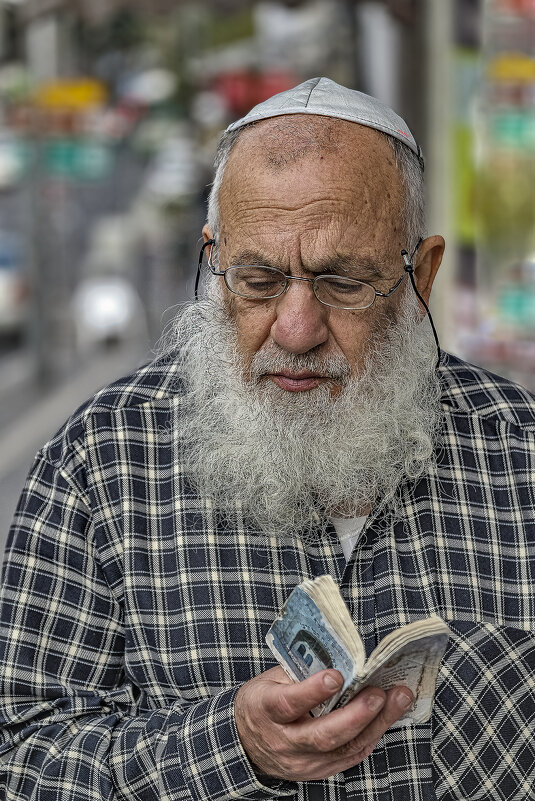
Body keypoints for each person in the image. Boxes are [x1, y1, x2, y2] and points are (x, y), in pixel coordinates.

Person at [1, 76, 534, 801]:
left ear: (422, 274)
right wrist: (231, 746)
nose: (294, 328)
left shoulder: (519, 456)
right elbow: (21, 759)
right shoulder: (100, 464)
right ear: (213, 260)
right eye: (255, 280)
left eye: (342, 281)